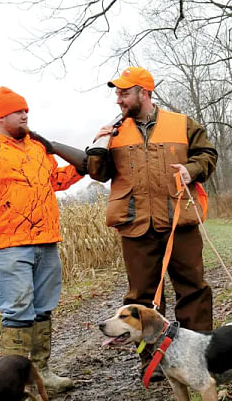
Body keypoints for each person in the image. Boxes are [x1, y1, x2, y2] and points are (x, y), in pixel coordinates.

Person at [87, 66, 218, 381]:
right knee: (140, 298)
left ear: (144, 93)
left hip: (178, 221)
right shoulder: (113, 131)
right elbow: (97, 173)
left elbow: (208, 154)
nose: (118, 99)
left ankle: (197, 354)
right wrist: (99, 145)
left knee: (193, 290)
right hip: (134, 225)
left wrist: (192, 169)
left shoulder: (182, 124)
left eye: (124, 92)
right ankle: (153, 360)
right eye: (117, 93)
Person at [0, 86, 84, 392]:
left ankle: (41, 374)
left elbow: (56, 180)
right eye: (18, 111)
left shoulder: (37, 148)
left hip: (46, 239)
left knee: (43, 308)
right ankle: (12, 384)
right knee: (18, 310)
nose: (25, 114)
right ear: (1, 117)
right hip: (9, 243)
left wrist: (86, 166)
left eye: (26, 110)